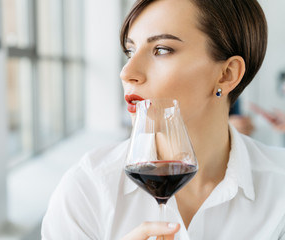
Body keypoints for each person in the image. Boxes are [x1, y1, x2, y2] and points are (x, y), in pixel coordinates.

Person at [42, 0, 285, 239]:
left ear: (227, 74)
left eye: (161, 49)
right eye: (130, 51)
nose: (127, 73)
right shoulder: (88, 191)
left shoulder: (279, 189)